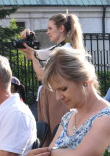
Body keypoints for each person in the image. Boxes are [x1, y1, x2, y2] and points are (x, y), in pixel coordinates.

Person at [22, 13, 85, 145]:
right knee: (48, 137)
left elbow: (42, 75)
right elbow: (34, 55)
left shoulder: (64, 51)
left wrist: (33, 55)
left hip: (58, 98)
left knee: (57, 137)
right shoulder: (58, 48)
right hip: (50, 96)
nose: (47, 32)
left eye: (50, 28)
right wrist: (26, 42)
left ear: (61, 28)